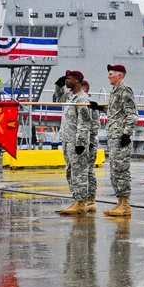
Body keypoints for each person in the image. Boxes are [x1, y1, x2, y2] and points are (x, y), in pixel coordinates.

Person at [58, 70, 95, 215]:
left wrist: (80, 142)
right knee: (70, 171)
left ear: (78, 81)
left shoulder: (82, 100)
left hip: (76, 142)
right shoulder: (70, 97)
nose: (67, 80)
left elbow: (84, 122)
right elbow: (58, 98)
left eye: (69, 78)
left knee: (79, 172)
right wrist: (58, 85)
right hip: (67, 140)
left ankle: (81, 203)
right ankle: (76, 200)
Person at [104, 64, 138, 217]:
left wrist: (126, 134)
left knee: (121, 170)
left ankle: (125, 204)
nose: (108, 76)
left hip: (120, 137)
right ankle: (120, 201)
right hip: (113, 136)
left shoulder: (125, 90)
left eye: (111, 74)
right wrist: (99, 108)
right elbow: (115, 111)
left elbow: (132, 114)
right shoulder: (114, 92)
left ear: (120, 75)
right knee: (114, 170)